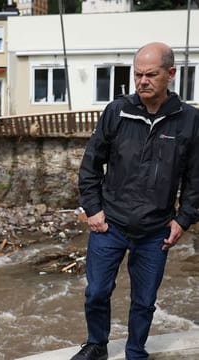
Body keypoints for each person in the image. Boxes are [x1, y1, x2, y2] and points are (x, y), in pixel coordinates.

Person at [72, 42, 199, 360]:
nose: (142, 81)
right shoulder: (117, 111)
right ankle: (96, 344)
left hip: (156, 229)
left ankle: (135, 350)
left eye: (150, 75)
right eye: (138, 74)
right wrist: (93, 209)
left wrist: (183, 220)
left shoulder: (189, 120)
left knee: (144, 300)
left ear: (170, 74)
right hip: (109, 224)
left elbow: (196, 178)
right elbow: (91, 164)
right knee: (97, 291)